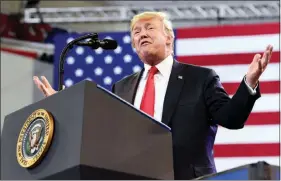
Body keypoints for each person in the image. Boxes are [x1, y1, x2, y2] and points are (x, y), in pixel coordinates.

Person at [33, 11, 273, 180]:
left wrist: (249, 82)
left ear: (169, 37)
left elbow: (231, 118)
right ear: (135, 46)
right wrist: (63, 105)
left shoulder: (200, 78)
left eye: (149, 28)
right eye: (136, 32)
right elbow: (101, 133)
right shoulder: (121, 88)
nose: (142, 34)